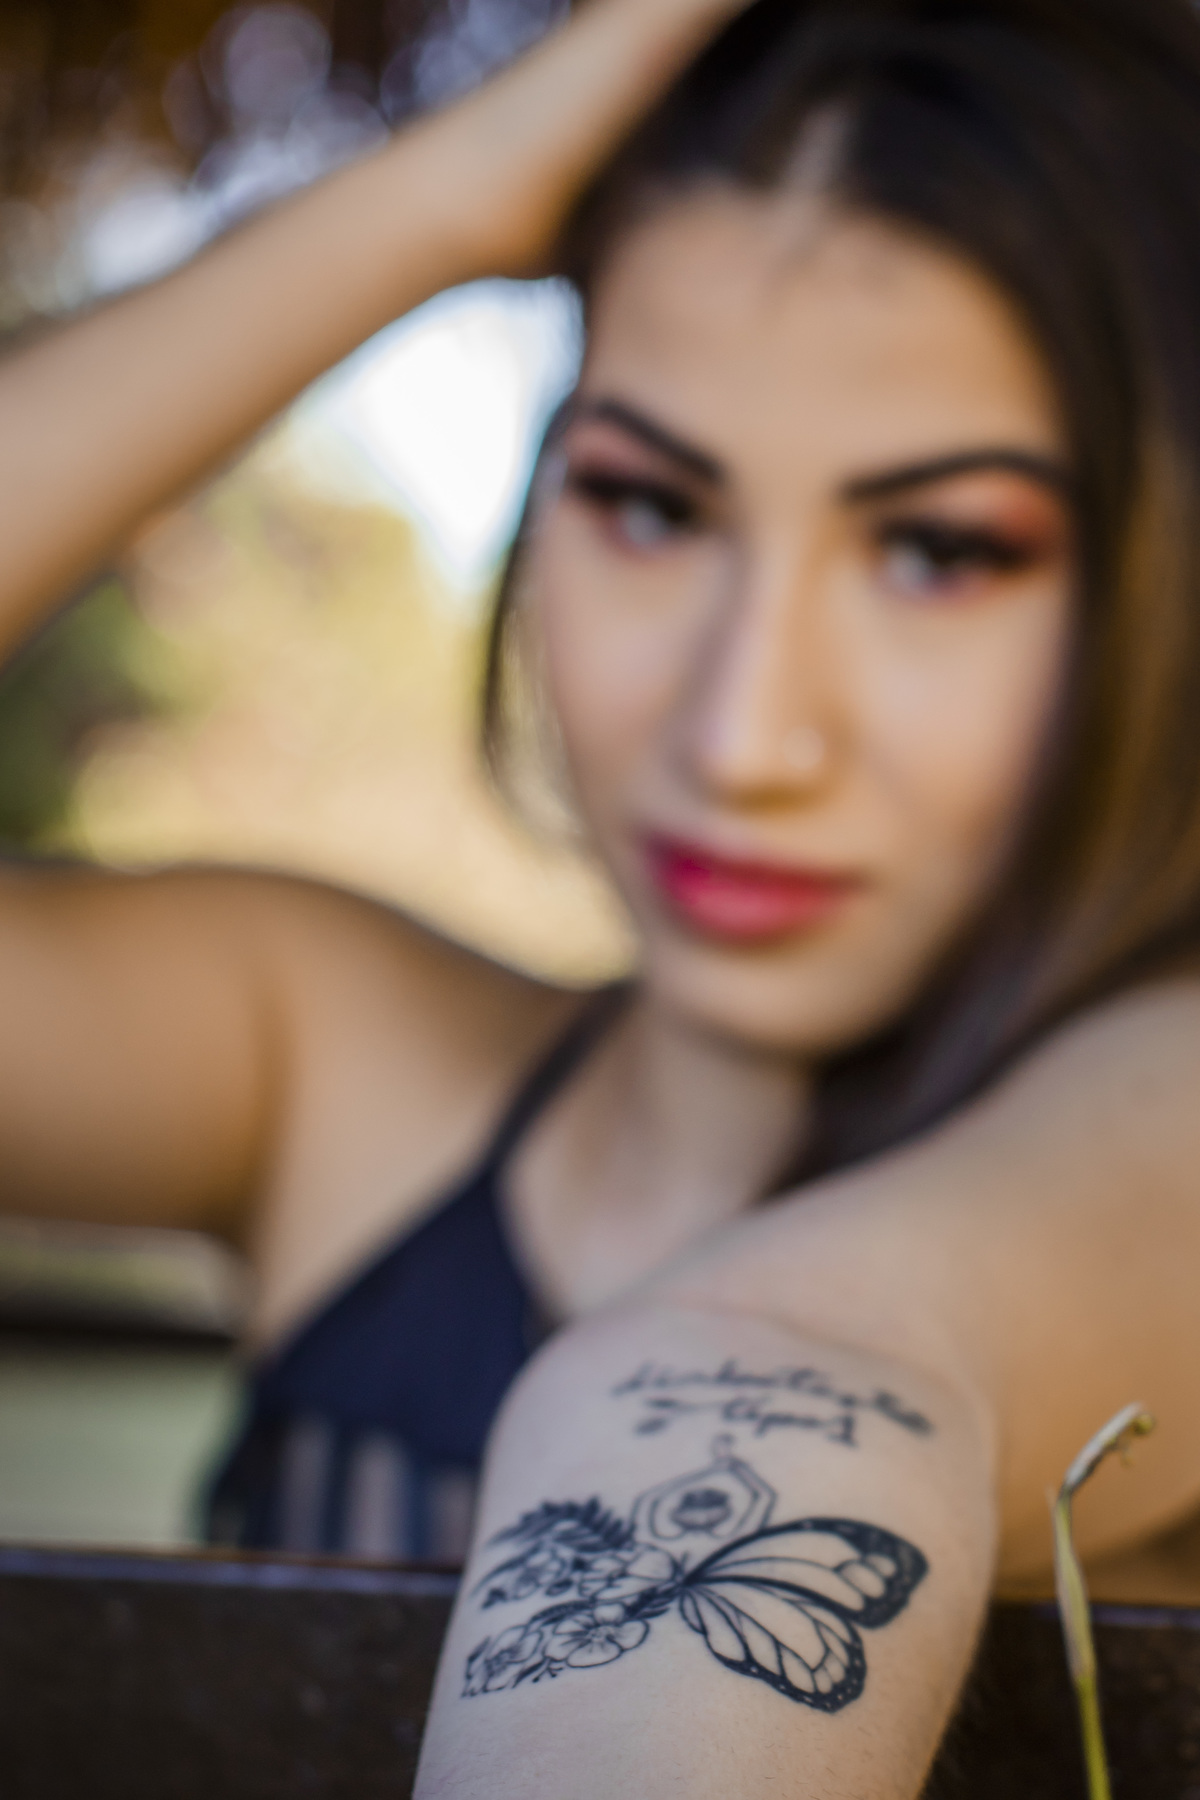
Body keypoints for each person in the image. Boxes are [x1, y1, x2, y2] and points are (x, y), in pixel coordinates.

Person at [5, 0, 1200, 1790]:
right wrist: (440, 199)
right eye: (649, 505)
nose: (742, 732)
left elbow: (790, 1361)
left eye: (940, 548)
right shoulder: (327, 1053)